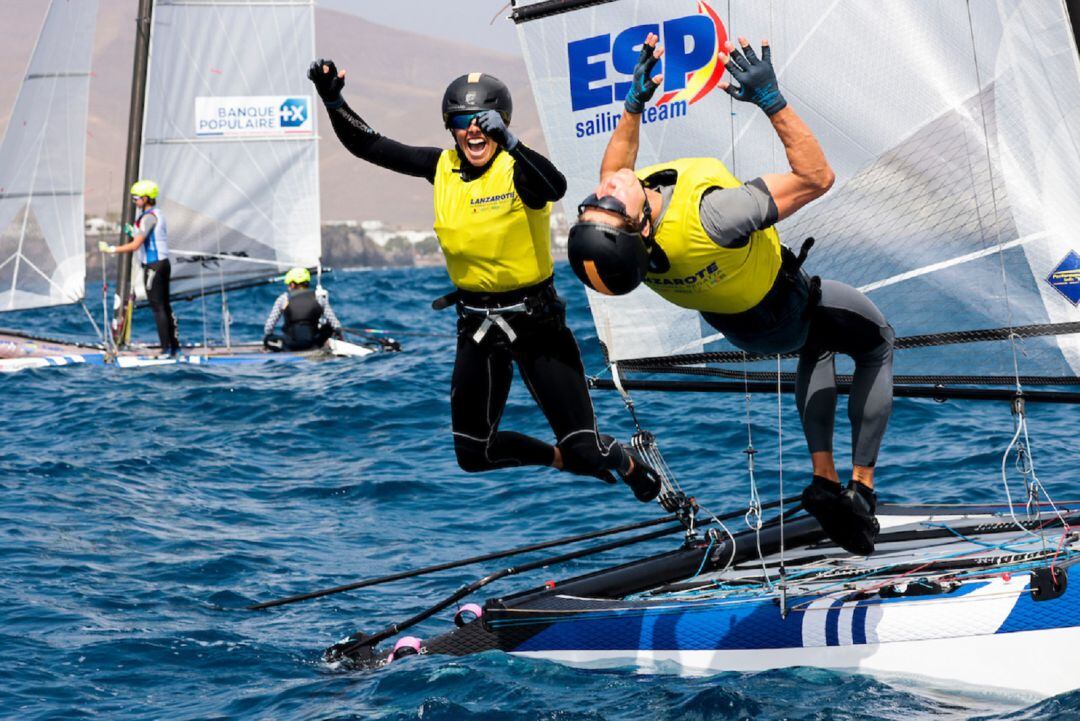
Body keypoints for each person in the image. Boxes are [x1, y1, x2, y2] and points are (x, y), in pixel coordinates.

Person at [565, 35, 894, 553]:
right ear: (642, 228)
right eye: (610, 202)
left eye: (595, 201)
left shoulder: (629, 251)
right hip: (784, 307)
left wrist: (632, 105)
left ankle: (824, 481)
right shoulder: (714, 217)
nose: (605, 188)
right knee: (875, 341)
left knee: (819, 346)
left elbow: (615, 169)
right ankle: (861, 489)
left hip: (737, 326)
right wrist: (772, 101)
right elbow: (817, 177)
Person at [308, 59, 661, 502]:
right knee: (474, 454)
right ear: (450, 128)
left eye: (483, 122)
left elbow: (556, 186)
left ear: (500, 124)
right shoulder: (440, 167)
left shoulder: (517, 170)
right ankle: (560, 459)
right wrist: (332, 99)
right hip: (476, 327)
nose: (473, 131)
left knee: (588, 450)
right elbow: (369, 145)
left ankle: (622, 460)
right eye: (461, 122)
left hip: (537, 325)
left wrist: (511, 143)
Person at [99, 179, 180, 357]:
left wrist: (111, 249)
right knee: (164, 306)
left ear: (146, 198)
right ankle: (173, 347)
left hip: (154, 267)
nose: (134, 201)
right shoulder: (156, 214)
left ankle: (166, 349)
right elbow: (146, 237)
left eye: (136, 198)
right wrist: (132, 232)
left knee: (158, 307)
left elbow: (136, 245)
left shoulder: (149, 217)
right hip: (162, 264)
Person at [263, 267, 343, 351]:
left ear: (292, 284)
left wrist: (267, 337)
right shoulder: (319, 298)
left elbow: (268, 328)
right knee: (328, 327)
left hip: (292, 345)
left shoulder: (284, 298)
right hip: (313, 342)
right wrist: (339, 335)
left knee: (268, 340)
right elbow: (336, 325)